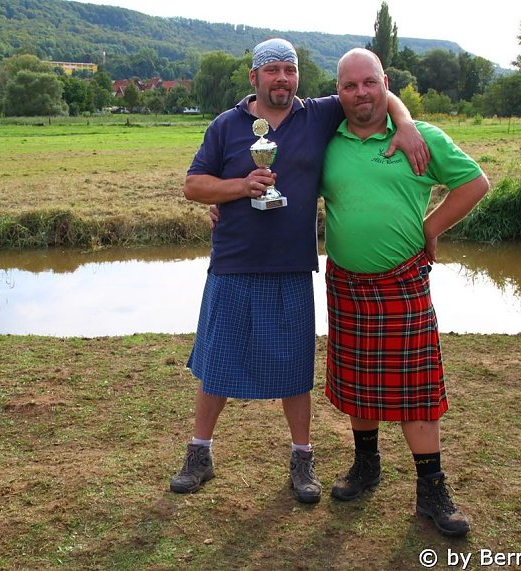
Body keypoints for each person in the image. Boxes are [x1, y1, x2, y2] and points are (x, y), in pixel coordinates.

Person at [170, 38, 429, 504]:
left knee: (295, 368)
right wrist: (237, 188)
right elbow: (193, 186)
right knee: (217, 363)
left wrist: (406, 124)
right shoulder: (226, 126)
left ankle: (302, 459)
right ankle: (200, 454)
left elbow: (373, 90)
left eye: (289, 70)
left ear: (298, 77)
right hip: (233, 264)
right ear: (254, 78)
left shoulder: (319, 114)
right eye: (271, 71)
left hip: (291, 266)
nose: (281, 79)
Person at [320, 48, 489, 535]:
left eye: (369, 83)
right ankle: (366, 466)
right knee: (359, 384)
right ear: (339, 91)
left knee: (417, 393)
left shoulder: (420, 138)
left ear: (384, 83)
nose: (360, 94)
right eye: (349, 86)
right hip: (348, 286)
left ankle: (432, 490)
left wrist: (431, 227)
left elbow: (474, 183)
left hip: (401, 282)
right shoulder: (325, 140)